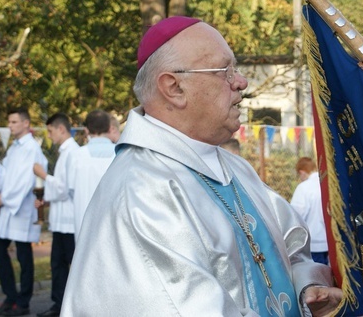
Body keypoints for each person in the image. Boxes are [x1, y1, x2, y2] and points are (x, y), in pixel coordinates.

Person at [62, 16, 341, 316]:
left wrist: (305, 288)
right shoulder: (142, 191)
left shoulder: (235, 169)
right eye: (225, 71)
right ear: (174, 88)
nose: (242, 82)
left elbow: (289, 249)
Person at [0, 107, 48, 316]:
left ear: (25, 123)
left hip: (21, 208)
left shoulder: (31, 148)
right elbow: (8, 174)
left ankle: (23, 302)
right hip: (7, 209)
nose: (10, 126)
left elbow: (25, 180)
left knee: (24, 256)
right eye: (9, 122)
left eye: (14, 122)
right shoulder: (14, 147)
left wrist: (4, 198)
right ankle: (10, 295)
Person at [32, 113, 80, 317]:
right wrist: (47, 198)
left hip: (69, 220)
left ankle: (72, 305)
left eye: (50, 131)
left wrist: (43, 175)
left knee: (70, 263)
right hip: (60, 220)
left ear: (61, 129)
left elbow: (65, 188)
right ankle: (58, 303)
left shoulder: (73, 152)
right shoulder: (64, 152)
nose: (49, 136)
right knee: (57, 264)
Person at [69, 109, 115, 239]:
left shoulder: (76, 156)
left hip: (84, 219)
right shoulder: (120, 153)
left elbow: (71, 190)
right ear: (110, 128)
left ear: (86, 130)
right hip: (113, 220)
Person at [290, 157, 328, 265]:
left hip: (311, 243)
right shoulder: (325, 184)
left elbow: (295, 215)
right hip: (328, 241)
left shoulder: (304, 188)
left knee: (315, 277)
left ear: (302, 172)